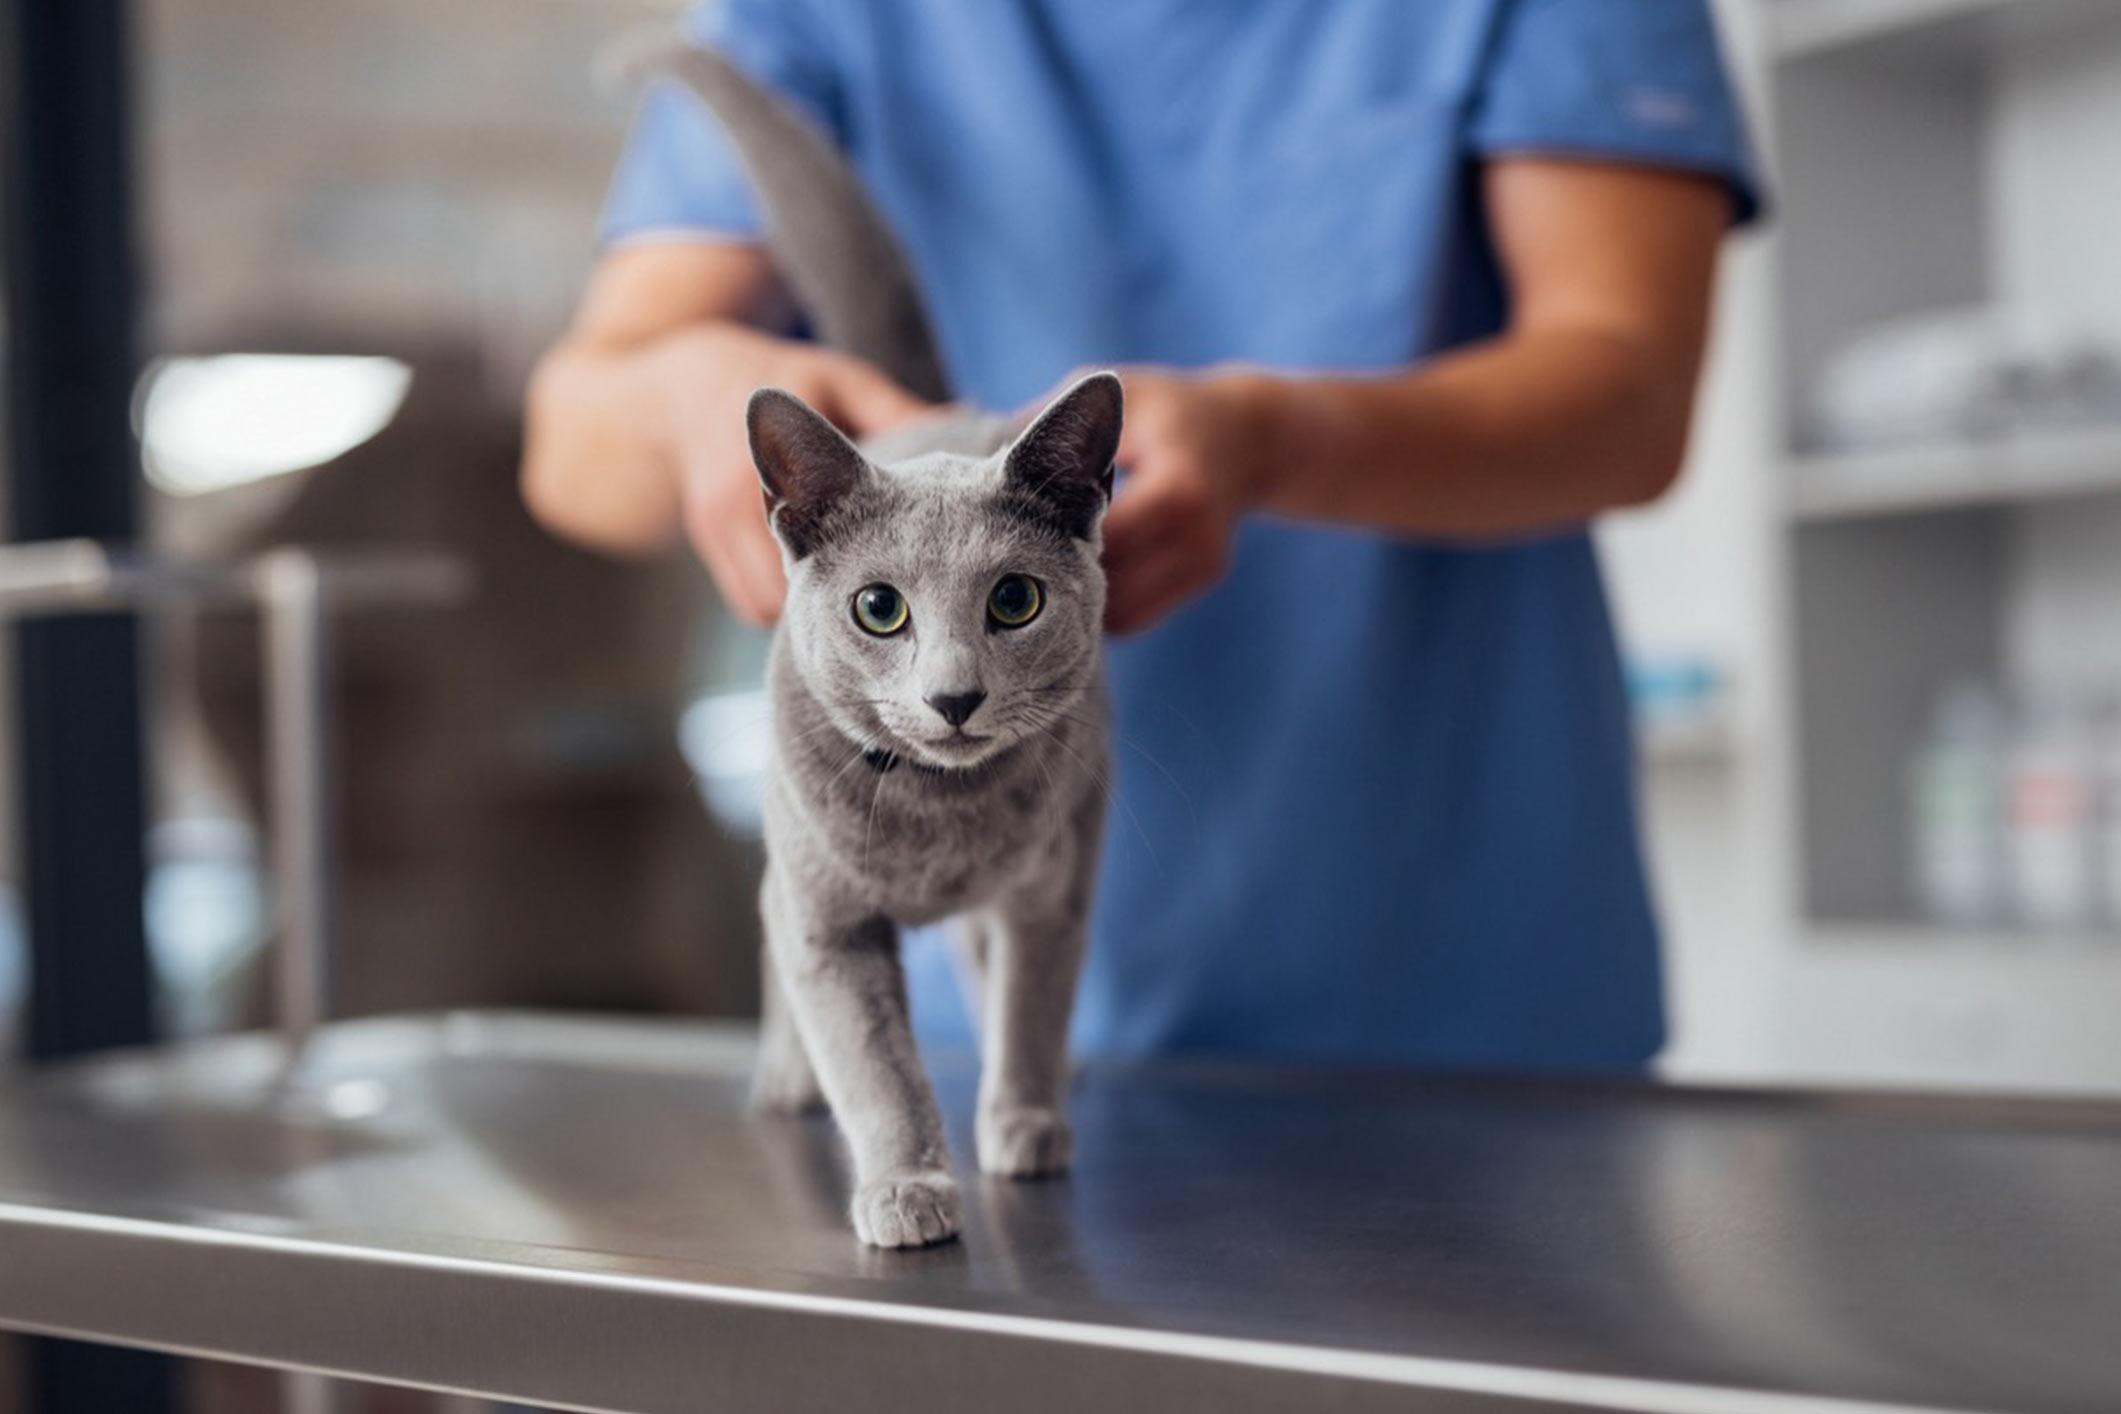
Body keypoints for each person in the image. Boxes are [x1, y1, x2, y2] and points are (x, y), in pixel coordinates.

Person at [523, 0, 1761, 1074]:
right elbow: (575, 450)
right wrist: (693, 402)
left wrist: (1279, 441)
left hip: (1457, 987)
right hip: (955, 1007)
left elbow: (1634, 398)